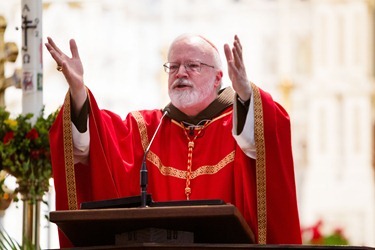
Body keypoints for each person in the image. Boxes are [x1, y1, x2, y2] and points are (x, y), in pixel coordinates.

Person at [46, 34, 302, 247]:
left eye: (192, 65)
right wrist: (79, 91)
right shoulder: (146, 129)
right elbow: (90, 146)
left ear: (218, 78)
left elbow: (270, 138)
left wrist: (246, 94)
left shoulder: (239, 124)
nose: (181, 73)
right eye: (174, 66)